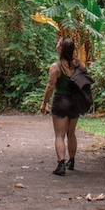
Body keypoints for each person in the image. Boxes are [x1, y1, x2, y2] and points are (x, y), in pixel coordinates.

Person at [40, 36, 83, 176]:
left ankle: (61, 164)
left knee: (59, 135)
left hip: (61, 102)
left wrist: (44, 103)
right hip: (75, 102)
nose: (57, 45)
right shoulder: (78, 65)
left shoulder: (55, 67)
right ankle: (72, 160)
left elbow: (51, 86)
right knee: (71, 133)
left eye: (58, 44)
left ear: (61, 49)